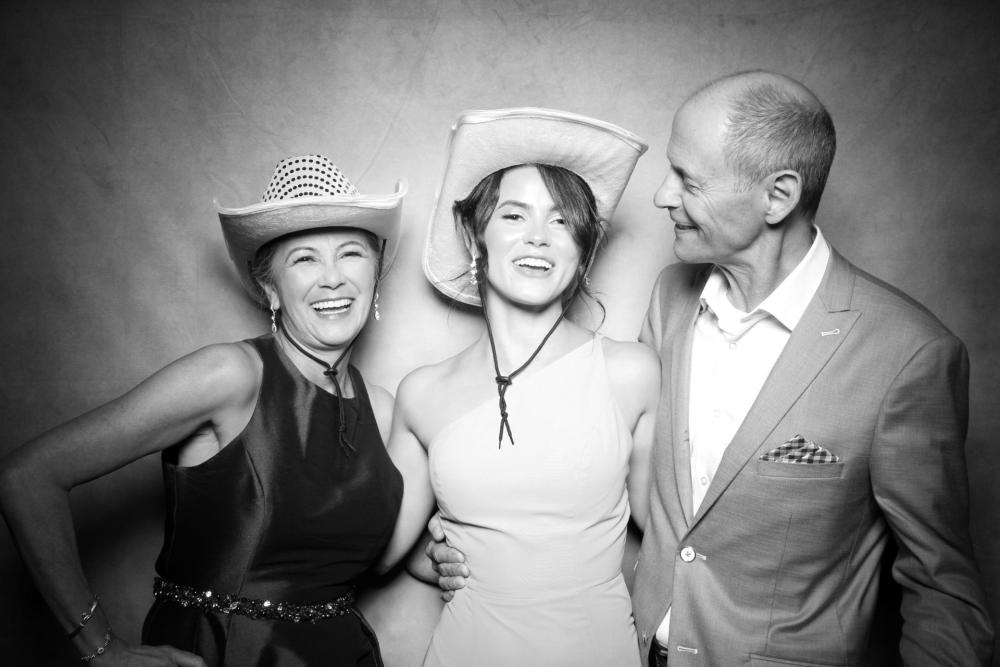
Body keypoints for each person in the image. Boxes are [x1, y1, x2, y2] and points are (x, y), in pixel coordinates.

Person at [430, 72, 995, 666]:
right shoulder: (670, 299)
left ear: (777, 196)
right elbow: (611, 481)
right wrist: (473, 540)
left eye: (687, 179)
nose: (661, 196)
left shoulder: (907, 354)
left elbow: (944, 588)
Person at [0, 155, 407, 667]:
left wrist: (445, 550)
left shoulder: (382, 409)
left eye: (350, 254)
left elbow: (371, 553)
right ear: (270, 288)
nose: (332, 278)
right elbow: (27, 477)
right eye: (304, 259)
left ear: (375, 273)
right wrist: (101, 650)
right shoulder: (230, 374)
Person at [378, 108, 659, 666]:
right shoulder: (423, 393)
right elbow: (382, 550)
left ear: (584, 247)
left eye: (561, 221)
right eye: (513, 215)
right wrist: (432, 557)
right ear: (473, 235)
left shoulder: (631, 373)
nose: (538, 238)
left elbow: (676, 538)